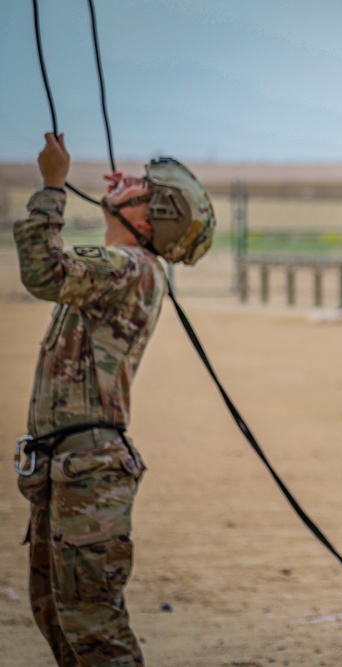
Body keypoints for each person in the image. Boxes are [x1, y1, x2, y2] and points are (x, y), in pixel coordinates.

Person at [13, 132, 216, 666]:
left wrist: (53, 186)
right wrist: (124, 198)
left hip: (87, 470)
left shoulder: (128, 268)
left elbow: (44, 270)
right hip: (66, 465)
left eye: (142, 188)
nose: (124, 180)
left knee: (93, 629)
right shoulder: (121, 268)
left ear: (150, 219)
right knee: (57, 616)